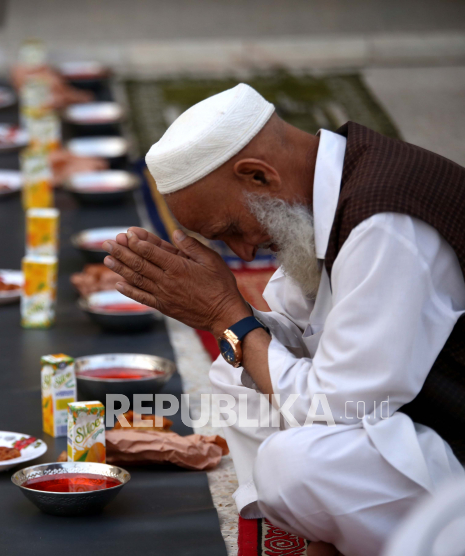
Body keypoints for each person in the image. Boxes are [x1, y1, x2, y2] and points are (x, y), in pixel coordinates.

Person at [102, 83, 465, 556]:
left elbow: (336, 408)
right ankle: (311, 529)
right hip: (414, 419)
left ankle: (332, 532)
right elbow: (296, 340)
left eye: (232, 229)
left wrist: (225, 314)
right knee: (236, 367)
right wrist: (227, 323)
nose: (244, 253)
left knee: (295, 465)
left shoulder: (385, 222)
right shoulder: (325, 185)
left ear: (257, 176)